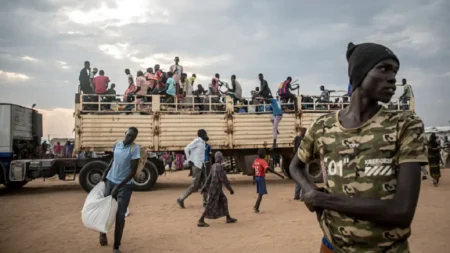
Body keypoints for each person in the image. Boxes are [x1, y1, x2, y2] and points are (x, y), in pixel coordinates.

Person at [290, 41, 428, 252]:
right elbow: (296, 166)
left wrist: (323, 199)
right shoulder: (323, 126)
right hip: (331, 246)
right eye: (384, 68)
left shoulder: (405, 125)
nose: (393, 78)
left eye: (395, 71)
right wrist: (310, 192)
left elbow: (401, 212)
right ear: (360, 72)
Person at [99, 127, 140, 253]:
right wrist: (105, 172)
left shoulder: (135, 149)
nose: (129, 138)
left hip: (124, 186)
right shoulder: (116, 144)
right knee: (106, 210)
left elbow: (133, 171)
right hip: (110, 181)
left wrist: (119, 186)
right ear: (125, 133)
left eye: (132, 137)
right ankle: (102, 232)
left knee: (120, 216)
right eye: (128, 135)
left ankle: (116, 246)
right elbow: (114, 160)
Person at [197, 151, 237, 227]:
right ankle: (201, 220)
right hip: (215, 189)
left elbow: (209, 178)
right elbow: (224, 180)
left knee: (224, 200)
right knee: (209, 204)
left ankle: (228, 218)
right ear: (221, 158)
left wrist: (204, 187)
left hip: (216, 189)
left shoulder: (213, 166)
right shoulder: (220, 167)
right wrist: (230, 190)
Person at [177, 129, 209, 208]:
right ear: (202, 135)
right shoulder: (197, 141)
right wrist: (189, 160)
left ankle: (205, 202)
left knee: (205, 184)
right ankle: (181, 199)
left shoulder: (203, 142)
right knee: (194, 186)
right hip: (197, 166)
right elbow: (186, 148)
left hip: (202, 165)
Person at [252, 148, 284, 213]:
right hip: (261, 178)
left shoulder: (256, 160)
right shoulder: (263, 161)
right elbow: (269, 169)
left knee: (260, 193)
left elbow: (253, 170)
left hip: (257, 178)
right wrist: (278, 174)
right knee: (261, 194)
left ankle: (256, 206)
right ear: (263, 155)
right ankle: (256, 207)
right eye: (265, 154)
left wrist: (253, 178)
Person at [293, 128, 307, 200]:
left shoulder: (296, 139)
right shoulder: (304, 140)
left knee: (298, 179)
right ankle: (302, 197)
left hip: (296, 160)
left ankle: (296, 195)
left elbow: (294, 149)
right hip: (302, 161)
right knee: (305, 179)